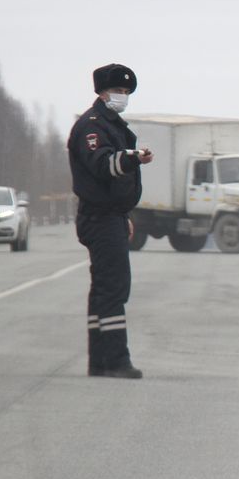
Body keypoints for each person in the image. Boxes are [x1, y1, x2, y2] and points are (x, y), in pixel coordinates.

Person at [67, 63, 153, 379]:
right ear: (102, 92)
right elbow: (102, 165)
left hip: (111, 216)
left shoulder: (111, 124)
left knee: (103, 289)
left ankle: (99, 360)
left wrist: (124, 215)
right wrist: (132, 158)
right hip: (99, 218)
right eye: (118, 91)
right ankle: (115, 359)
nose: (123, 97)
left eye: (126, 92)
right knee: (114, 288)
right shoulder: (92, 126)